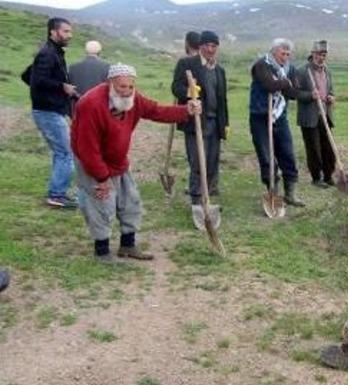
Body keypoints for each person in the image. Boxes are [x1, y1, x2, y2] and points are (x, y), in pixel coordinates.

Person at [72, 63, 202, 262]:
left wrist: (186, 110)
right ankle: (102, 251)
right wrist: (101, 177)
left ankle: (127, 246)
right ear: (110, 84)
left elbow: (157, 111)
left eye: (130, 87)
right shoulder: (90, 104)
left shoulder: (134, 99)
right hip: (92, 162)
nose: (126, 92)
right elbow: (87, 148)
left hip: (118, 161)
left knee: (130, 201)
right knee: (101, 204)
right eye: (121, 87)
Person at [171, 30, 229, 206]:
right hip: (195, 121)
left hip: (214, 122)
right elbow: (175, 87)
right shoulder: (187, 64)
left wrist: (225, 123)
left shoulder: (219, 70)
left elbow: (222, 99)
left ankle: (208, 194)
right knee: (197, 161)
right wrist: (190, 92)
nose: (210, 49)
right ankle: (196, 199)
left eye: (214, 46)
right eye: (207, 45)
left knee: (212, 161)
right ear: (201, 46)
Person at [28, 17, 78, 208]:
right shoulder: (48, 54)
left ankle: (57, 193)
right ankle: (56, 195)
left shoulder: (53, 52)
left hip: (50, 109)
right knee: (65, 153)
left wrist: (53, 92)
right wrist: (61, 88)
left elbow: (29, 76)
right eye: (65, 31)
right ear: (53, 32)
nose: (69, 35)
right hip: (48, 111)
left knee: (63, 153)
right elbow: (39, 80)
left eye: (70, 31)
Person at [249, 38, 304, 207]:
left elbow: (295, 93)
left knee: (287, 153)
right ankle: (273, 191)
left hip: (280, 116)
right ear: (274, 51)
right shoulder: (261, 65)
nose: (285, 57)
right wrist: (285, 83)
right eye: (283, 53)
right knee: (266, 156)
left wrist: (284, 84)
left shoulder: (290, 68)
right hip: (260, 116)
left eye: (288, 54)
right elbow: (269, 85)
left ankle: (290, 193)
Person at [294, 40, 336, 188]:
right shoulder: (302, 71)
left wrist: (331, 97)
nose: (321, 57)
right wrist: (310, 95)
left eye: (324, 54)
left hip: (325, 115)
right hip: (309, 117)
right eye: (319, 54)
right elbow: (294, 93)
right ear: (312, 54)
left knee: (328, 148)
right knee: (314, 149)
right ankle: (316, 178)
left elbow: (330, 91)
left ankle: (328, 176)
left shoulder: (327, 71)